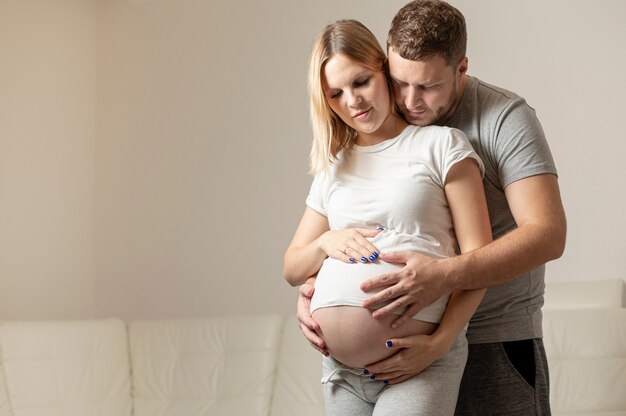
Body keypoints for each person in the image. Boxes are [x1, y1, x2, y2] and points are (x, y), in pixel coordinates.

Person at [296, 1, 567, 415]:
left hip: (493, 338)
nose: (409, 100)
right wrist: (316, 288)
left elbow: (547, 234)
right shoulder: (365, 143)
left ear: (461, 69)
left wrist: (442, 281)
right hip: (388, 353)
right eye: (399, 81)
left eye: (427, 87)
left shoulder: (503, 118)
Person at [283, 19, 492, 416]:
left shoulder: (442, 145)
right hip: (341, 370)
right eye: (336, 94)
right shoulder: (334, 166)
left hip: (418, 364)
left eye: (361, 81)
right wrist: (326, 242)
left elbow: (479, 261)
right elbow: (292, 267)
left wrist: (441, 342)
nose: (353, 102)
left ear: (383, 68)